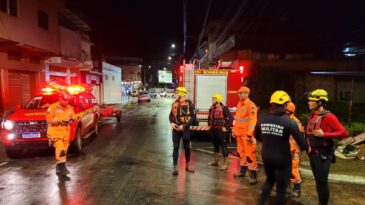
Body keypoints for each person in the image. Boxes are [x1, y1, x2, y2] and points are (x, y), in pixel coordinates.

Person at [255, 91, 308, 205]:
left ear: (272, 104)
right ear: (285, 105)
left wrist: (267, 140)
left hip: (266, 156)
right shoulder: (289, 122)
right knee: (281, 189)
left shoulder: (262, 119)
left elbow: (256, 135)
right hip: (282, 159)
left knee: (269, 181)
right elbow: (302, 143)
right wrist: (310, 149)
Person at [306, 89, 348, 205]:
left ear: (320, 102)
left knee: (322, 181)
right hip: (313, 154)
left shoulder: (329, 117)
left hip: (323, 154)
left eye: (311, 100)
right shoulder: (312, 115)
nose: (308, 102)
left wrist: (325, 134)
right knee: (318, 181)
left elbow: (344, 133)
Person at [232, 86, 258, 185]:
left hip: (246, 135)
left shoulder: (251, 105)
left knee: (249, 155)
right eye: (239, 93)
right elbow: (237, 119)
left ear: (247, 94)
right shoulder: (239, 104)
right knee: (241, 153)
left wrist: (249, 134)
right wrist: (234, 130)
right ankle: (243, 171)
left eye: (241, 93)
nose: (239, 95)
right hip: (239, 134)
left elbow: (253, 121)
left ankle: (253, 175)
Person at [46, 91, 75, 177]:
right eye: (65, 100)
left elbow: (73, 116)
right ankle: (63, 167)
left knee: (64, 151)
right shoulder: (53, 107)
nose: (67, 102)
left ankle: (58, 168)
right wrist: (59, 120)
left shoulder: (69, 108)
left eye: (68, 101)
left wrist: (71, 120)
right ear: (60, 99)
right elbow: (48, 119)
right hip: (55, 132)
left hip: (65, 133)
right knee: (60, 149)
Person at [169, 87, 196, 175]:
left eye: (177, 92)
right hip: (176, 130)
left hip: (185, 130)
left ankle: (187, 166)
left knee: (187, 147)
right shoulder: (174, 103)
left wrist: (184, 126)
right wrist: (171, 123)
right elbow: (171, 116)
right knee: (176, 147)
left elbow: (193, 118)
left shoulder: (189, 104)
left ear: (181, 94)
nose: (175, 94)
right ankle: (175, 167)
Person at [207, 93, 233, 170]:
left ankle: (225, 163)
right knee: (215, 145)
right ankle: (216, 161)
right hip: (213, 130)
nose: (212, 100)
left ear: (218, 100)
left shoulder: (224, 108)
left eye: (214, 99)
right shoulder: (211, 108)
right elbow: (209, 118)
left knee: (223, 146)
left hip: (221, 130)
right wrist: (209, 126)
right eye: (212, 98)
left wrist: (227, 127)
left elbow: (231, 118)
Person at [285, 102, 305, 197]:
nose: (284, 111)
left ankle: (297, 189)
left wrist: (293, 149)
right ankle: (285, 186)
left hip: (292, 150)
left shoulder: (295, 122)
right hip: (283, 149)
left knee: (293, 170)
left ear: (290, 111)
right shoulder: (283, 119)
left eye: (286, 110)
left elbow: (299, 138)